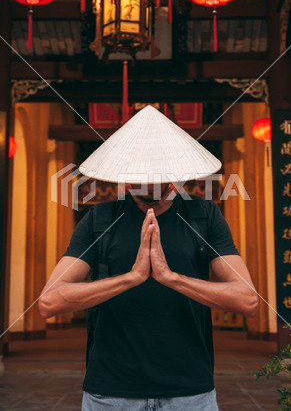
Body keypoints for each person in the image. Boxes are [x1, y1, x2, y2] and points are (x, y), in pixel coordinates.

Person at [39, 106, 259, 411]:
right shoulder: (101, 219)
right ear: (125, 174)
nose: (147, 179)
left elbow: (248, 301)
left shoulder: (203, 216)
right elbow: (49, 303)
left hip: (189, 391)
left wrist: (171, 278)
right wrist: (131, 278)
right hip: (111, 391)